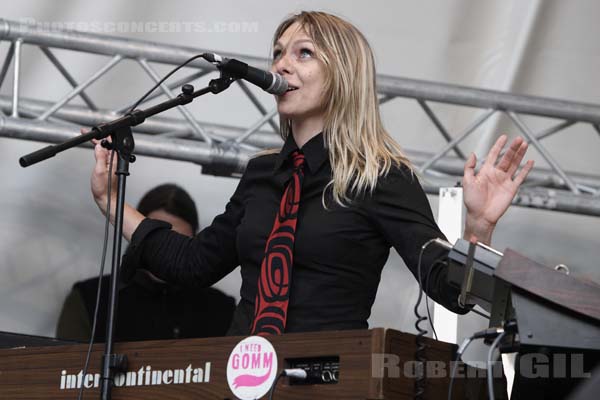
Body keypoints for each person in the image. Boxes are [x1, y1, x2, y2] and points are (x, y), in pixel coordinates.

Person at [88, 11, 533, 336]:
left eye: (304, 53)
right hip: (244, 376)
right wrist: (111, 201)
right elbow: (194, 263)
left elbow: (448, 287)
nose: (281, 65)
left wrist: (477, 230)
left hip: (330, 378)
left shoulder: (379, 176)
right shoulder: (262, 174)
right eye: (278, 52)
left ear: (343, 75)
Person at [56, 184, 236, 341]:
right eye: (157, 241)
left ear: (195, 241)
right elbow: (63, 372)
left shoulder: (221, 308)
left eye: (178, 244)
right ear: (134, 234)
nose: (166, 253)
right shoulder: (91, 298)